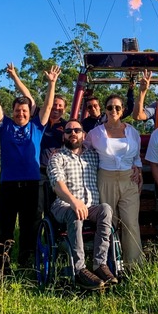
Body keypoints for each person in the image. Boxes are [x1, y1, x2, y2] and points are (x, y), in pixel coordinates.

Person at [0, 62, 60, 277]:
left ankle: (26, 266)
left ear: (29, 112)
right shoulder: (5, 126)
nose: (21, 114)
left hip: (32, 186)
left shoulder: (37, 126)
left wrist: (51, 84)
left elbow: (47, 107)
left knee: (30, 228)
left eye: (24, 111)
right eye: (17, 111)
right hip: (8, 186)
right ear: (13, 112)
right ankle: (3, 267)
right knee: (5, 228)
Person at [48, 119, 118, 289]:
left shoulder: (94, 156)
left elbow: (114, 162)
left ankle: (100, 264)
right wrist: (73, 201)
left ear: (83, 135)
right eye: (68, 131)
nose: (73, 133)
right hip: (64, 205)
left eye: (77, 130)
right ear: (64, 136)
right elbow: (57, 184)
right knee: (75, 212)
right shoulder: (57, 157)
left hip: (91, 206)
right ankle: (79, 269)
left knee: (106, 209)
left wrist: (136, 167)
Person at [85, 93, 143, 264]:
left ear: (123, 110)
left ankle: (134, 264)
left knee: (130, 222)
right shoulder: (96, 133)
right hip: (106, 178)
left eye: (117, 107)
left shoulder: (132, 132)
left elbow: (136, 156)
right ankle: (109, 262)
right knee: (110, 222)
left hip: (129, 179)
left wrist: (138, 170)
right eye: (110, 107)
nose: (114, 110)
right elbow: (84, 149)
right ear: (105, 110)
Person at [38, 94, 68, 216]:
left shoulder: (66, 126)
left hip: (57, 172)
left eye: (60, 105)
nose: (57, 107)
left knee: (53, 208)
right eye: (54, 104)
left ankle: (51, 229)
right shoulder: (41, 121)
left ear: (64, 109)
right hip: (39, 171)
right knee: (37, 207)